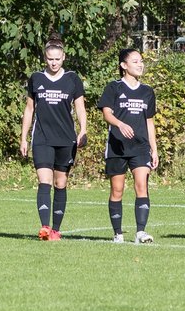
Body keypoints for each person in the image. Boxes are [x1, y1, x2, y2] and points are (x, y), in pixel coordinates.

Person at [19, 36, 87, 241]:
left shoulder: (72, 79)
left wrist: (83, 130)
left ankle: (56, 230)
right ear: (45, 58)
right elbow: (29, 109)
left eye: (57, 59)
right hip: (42, 139)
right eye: (50, 59)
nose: (54, 63)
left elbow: (80, 108)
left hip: (66, 139)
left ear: (64, 57)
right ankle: (45, 227)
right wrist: (23, 138)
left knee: (60, 183)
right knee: (44, 181)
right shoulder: (36, 79)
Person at [98, 48, 159, 244]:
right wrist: (120, 124)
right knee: (117, 190)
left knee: (142, 186)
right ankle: (118, 234)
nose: (140, 64)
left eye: (141, 61)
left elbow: (149, 122)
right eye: (135, 61)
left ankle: (141, 232)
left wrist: (154, 148)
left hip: (140, 147)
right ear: (123, 66)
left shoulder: (147, 91)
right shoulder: (114, 88)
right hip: (117, 147)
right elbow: (107, 113)